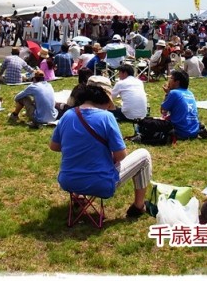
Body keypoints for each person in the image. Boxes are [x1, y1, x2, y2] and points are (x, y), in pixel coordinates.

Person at [49, 76, 152, 219]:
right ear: (104, 97)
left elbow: (54, 146)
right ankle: (139, 206)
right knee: (144, 155)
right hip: (101, 184)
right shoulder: (106, 117)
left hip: (68, 181)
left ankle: (78, 196)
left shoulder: (67, 115)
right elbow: (121, 156)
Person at [160, 69, 200, 140]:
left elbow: (163, 111)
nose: (169, 81)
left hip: (181, 132)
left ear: (177, 82)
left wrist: (167, 94)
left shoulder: (174, 93)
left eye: (171, 78)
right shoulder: (190, 93)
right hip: (194, 132)